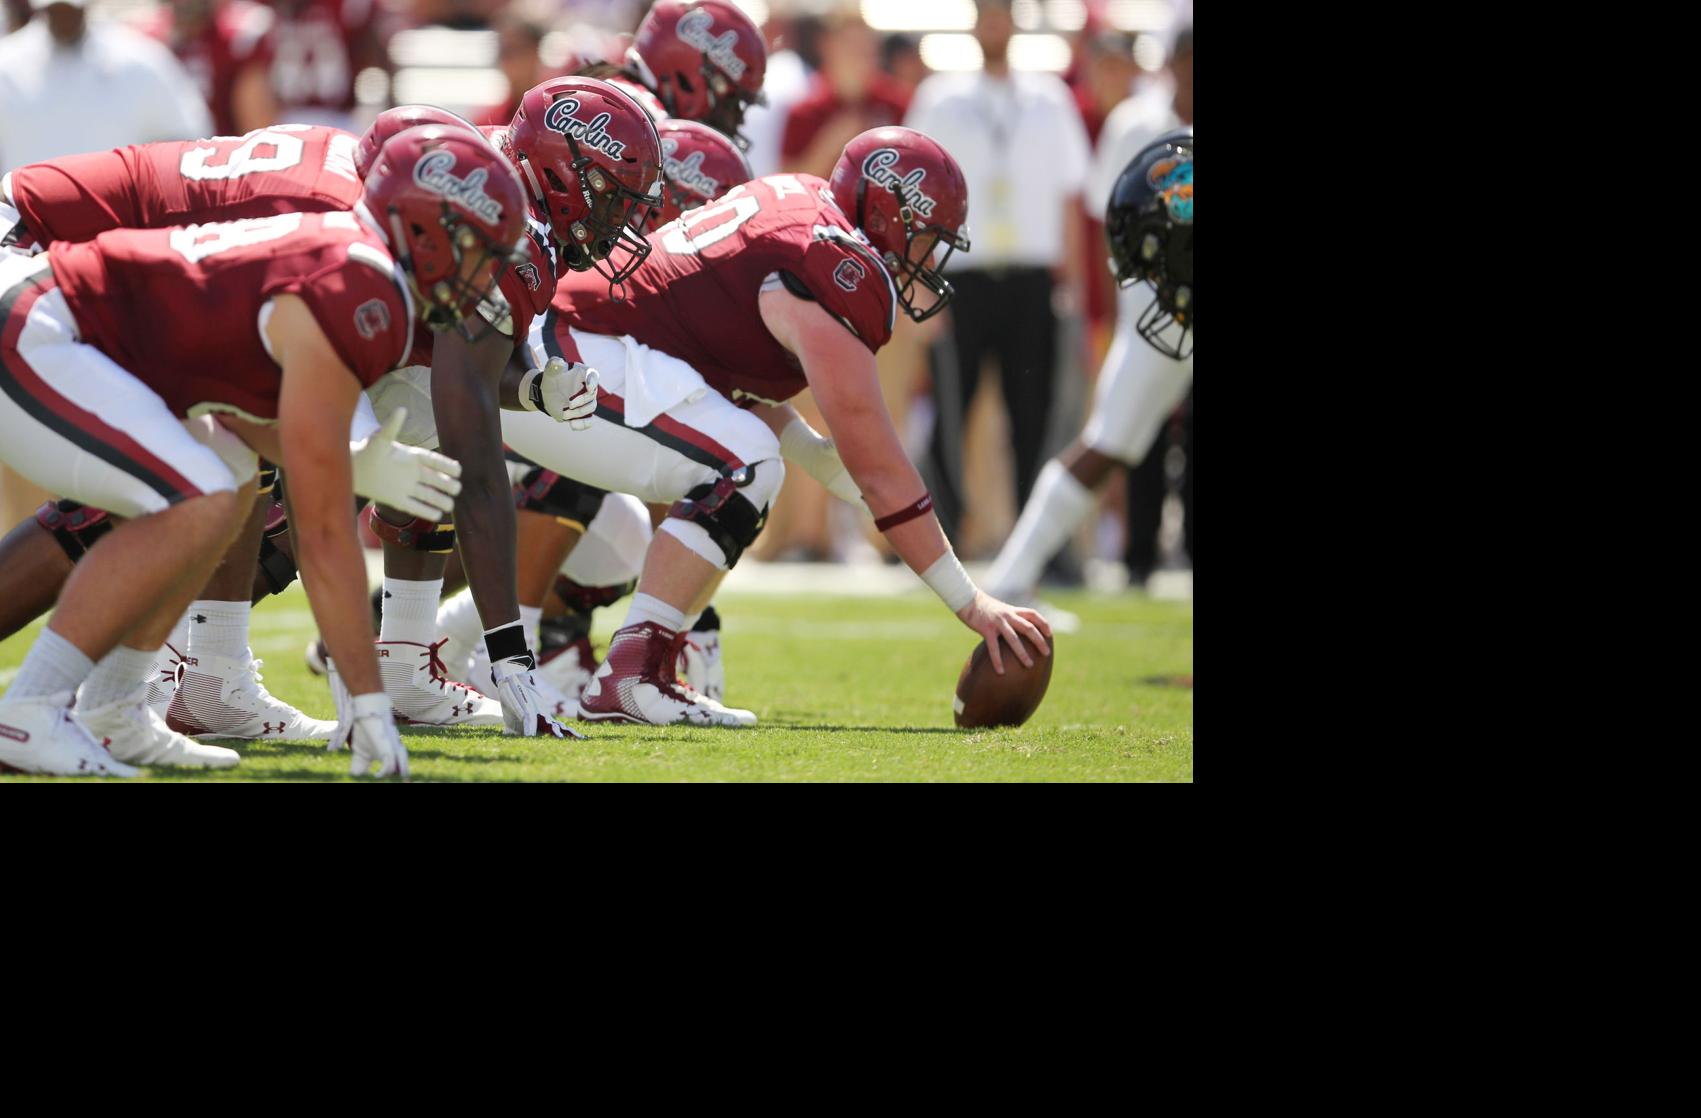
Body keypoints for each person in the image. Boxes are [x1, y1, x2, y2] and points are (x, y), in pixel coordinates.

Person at [0, 124, 527, 777]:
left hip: (80, 333)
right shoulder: (362, 288)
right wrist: (366, 701)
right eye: (478, 248)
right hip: (43, 325)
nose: (486, 275)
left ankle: (114, 707)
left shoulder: (354, 259)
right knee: (196, 495)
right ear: (421, 229)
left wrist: (350, 457)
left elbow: (238, 404)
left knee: (226, 477)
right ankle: (31, 708)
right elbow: (325, 528)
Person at [499, 125, 1051, 727]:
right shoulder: (838, 267)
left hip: (572, 340)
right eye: (924, 238)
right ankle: (631, 675)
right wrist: (972, 604)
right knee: (744, 463)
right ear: (893, 216)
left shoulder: (804, 204)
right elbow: (881, 469)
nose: (927, 261)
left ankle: (615, 667)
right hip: (569, 352)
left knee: (740, 458)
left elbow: (710, 368)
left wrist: (809, 451)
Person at [902, 0, 1092, 548]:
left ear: (1015, 22)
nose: (994, 24)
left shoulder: (1049, 99)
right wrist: (918, 277)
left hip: (1033, 279)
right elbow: (916, 194)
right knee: (950, 411)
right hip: (962, 276)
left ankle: (1037, 546)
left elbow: (1069, 199)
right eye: (986, 13)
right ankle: (936, 541)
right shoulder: (941, 98)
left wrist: (1071, 285)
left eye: (1002, 13)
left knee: (1034, 415)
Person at [983, 128, 1192, 605]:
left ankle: (1013, 574)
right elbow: (1117, 220)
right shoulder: (1144, 123)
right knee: (1111, 440)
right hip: (1168, 302)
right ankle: (1012, 574)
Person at [597, 0, 768, 149]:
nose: (737, 120)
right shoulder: (639, 120)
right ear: (688, 80)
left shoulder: (616, 92)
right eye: (730, 100)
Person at [141, 0, 280, 137]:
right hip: (167, 152)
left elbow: (258, 131)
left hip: (226, 154)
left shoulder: (241, 35)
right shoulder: (145, 40)